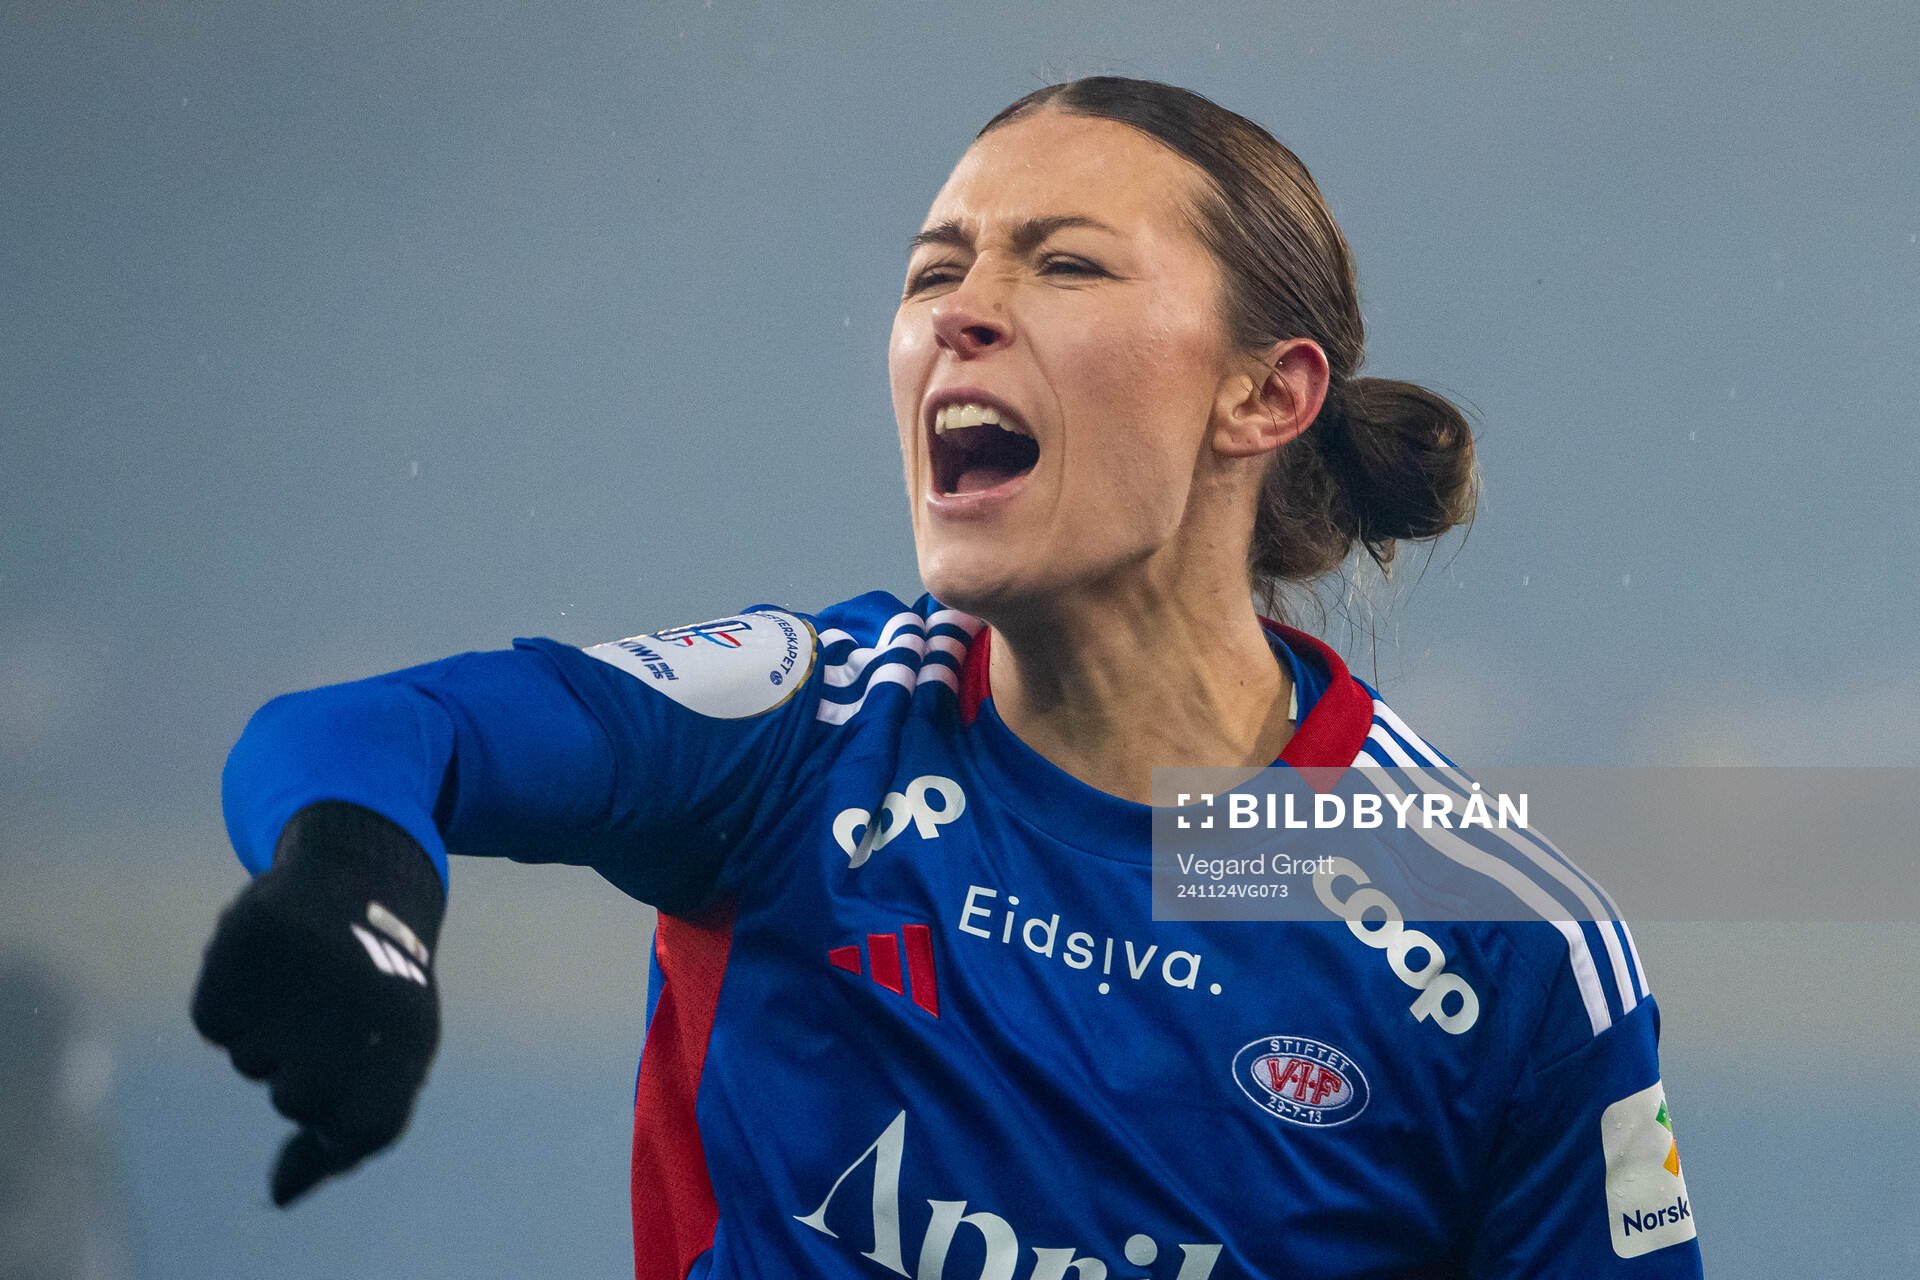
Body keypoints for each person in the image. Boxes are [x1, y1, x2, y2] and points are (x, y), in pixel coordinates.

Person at [191, 77, 1701, 1278]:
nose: (958, 311)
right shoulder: (808, 732)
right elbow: (373, 734)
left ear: (1265, 393)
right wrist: (358, 888)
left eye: (1064, 263)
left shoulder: (1482, 921)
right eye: (935, 271)